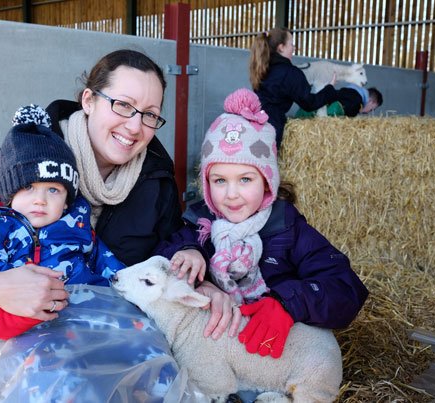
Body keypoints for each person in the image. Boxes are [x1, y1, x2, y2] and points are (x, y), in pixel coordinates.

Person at [0, 49, 240, 350]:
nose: (135, 128)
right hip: (11, 326)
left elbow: (168, 245)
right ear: (88, 100)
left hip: (106, 322)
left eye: (149, 114)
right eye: (123, 105)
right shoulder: (24, 162)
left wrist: (198, 275)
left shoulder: (155, 177)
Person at [155, 88, 369, 359]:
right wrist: (189, 257)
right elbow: (157, 259)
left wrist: (286, 302)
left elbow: (346, 287)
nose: (231, 194)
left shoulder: (289, 230)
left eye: (245, 179)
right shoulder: (197, 227)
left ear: (267, 182)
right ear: (207, 184)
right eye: (219, 180)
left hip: (274, 355)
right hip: (217, 354)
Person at [0, 105, 125, 340]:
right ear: (10, 196)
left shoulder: (77, 227)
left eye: (53, 190)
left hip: (83, 315)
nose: (40, 200)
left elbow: (105, 262)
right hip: (17, 322)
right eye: (28, 187)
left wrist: (126, 289)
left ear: (67, 201)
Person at [249, 27, 338, 148]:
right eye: (292, 44)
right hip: (271, 127)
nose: (294, 48)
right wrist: (329, 89)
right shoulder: (291, 73)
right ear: (281, 47)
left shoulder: (262, 68)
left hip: (252, 121)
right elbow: (309, 103)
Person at [295, 86, 383, 118]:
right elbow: (334, 110)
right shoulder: (356, 102)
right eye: (372, 109)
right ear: (371, 102)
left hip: (303, 111)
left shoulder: (349, 93)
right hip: (308, 116)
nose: (368, 112)